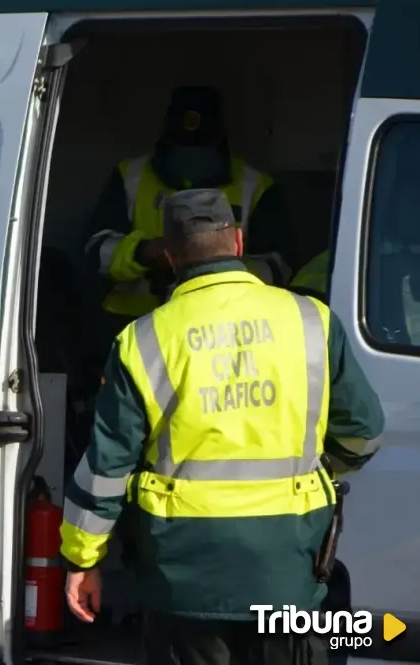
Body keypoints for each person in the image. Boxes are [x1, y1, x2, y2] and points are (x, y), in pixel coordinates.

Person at [59, 188, 385, 665]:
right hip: (288, 573)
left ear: (170, 257)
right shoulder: (311, 320)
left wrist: (83, 560)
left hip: (183, 581)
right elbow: (363, 433)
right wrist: (316, 467)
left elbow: (106, 467)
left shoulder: (142, 340)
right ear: (238, 242)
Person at [82, 86, 294, 371]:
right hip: (133, 325)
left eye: (200, 154)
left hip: (224, 329)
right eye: (182, 152)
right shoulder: (130, 175)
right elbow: (95, 250)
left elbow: (280, 267)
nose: (190, 166)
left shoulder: (255, 185)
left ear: (220, 141)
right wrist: (144, 252)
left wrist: (211, 268)